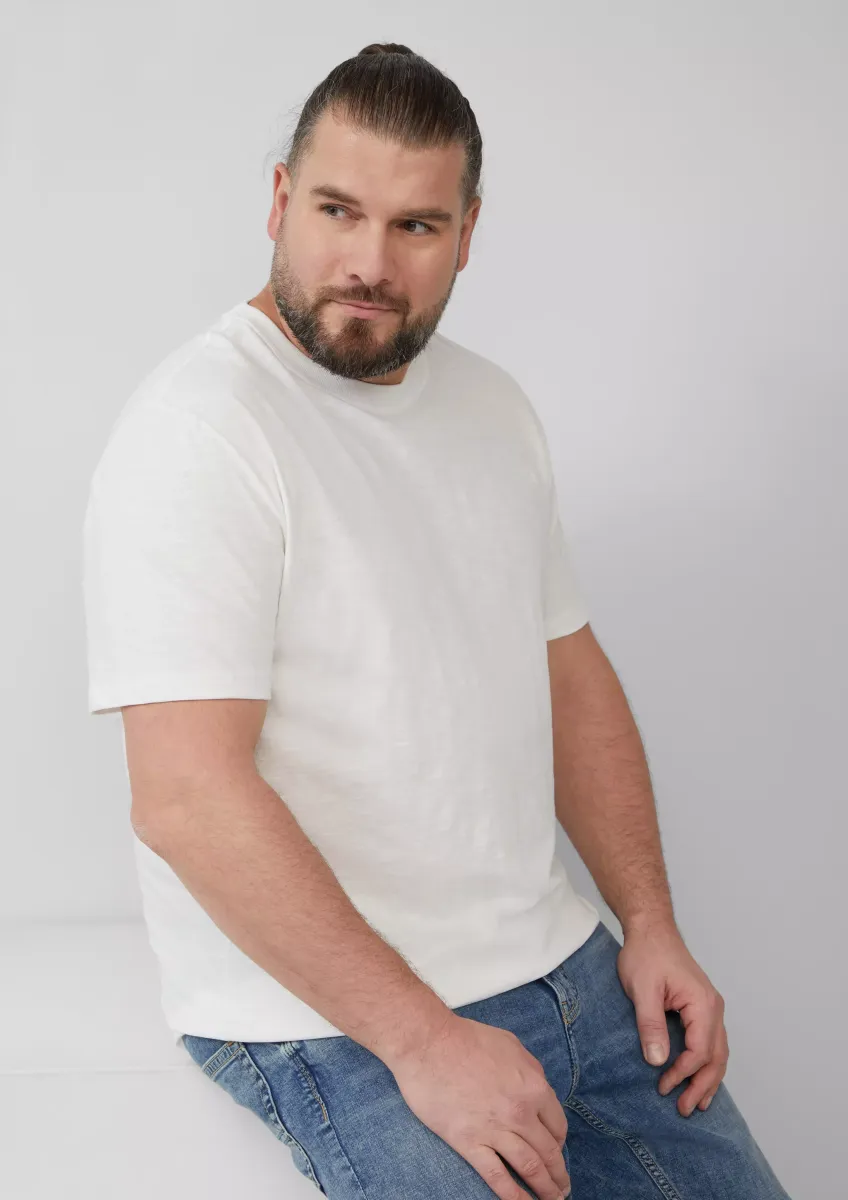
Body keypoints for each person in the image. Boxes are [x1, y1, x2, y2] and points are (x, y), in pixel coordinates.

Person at [82, 42, 791, 1200]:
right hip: (330, 1019)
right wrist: (420, 1038)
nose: (368, 263)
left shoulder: (490, 408)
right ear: (278, 199)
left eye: (414, 225)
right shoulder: (201, 432)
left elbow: (568, 676)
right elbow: (184, 798)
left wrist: (648, 921)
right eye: (336, 210)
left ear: (466, 234)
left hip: (563, 965)